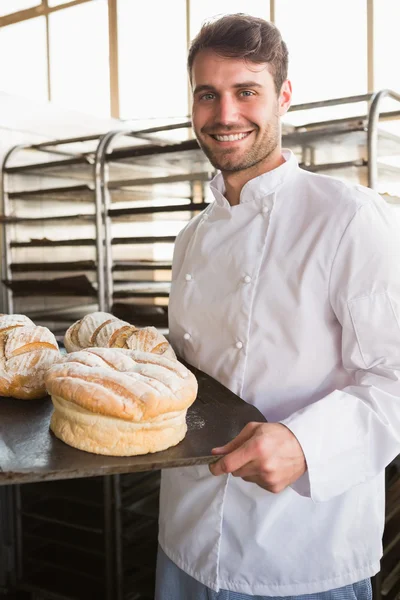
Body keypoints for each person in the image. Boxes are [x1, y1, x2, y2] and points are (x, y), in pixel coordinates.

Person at [155, 12, 400, 600]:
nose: (225, 115)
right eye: (208, 95)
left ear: (283, 97)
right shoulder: (193, 236)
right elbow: (195, 370)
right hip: (183, 539)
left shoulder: (348, 217)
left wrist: (306, 444)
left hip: (301, 552)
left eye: (247, 92)